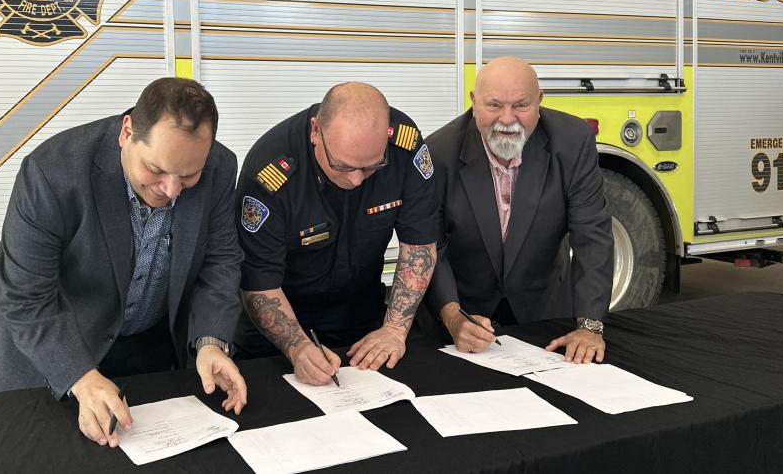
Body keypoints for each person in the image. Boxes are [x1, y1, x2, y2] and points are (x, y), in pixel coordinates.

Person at [0, 77, 247, 448]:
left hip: (142, 344)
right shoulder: (52, 172)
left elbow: (220, 261)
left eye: (189, 175)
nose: (172, 190)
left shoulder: (219, 167)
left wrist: (210, 342)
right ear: (127, 133)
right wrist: (80, 376)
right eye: (155, 169)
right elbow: (25, 297)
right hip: (45, 346)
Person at [234, 82, 439, 385]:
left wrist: (394, 330)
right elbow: (258, 282)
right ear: (316, 131)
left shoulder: (404, 147)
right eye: (342, 166)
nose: (356, 180)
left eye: (371, 167)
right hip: (276, 331)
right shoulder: (270, 171)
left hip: (362, 324)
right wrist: (298, 347)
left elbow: (419, 245)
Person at [424, 57, 614, 363]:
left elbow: (592, 237)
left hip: (544, 314)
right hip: (463, 319)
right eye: (494, 105)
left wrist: (590, 325)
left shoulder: (573, 141)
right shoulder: (438, 153)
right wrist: (452, 315)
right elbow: (430, 246)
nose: (507, 119)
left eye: (521, 105)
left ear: (539, 101)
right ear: (473, 101)